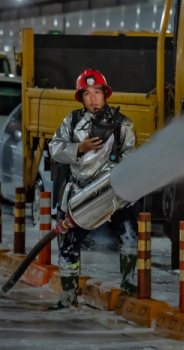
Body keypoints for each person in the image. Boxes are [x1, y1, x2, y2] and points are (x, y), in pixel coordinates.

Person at [48, 69, 137, 310]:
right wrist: (79, 147)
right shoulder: (72, 121)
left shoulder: (122, 124)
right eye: (87, 93)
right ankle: (67, 297)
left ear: (105, 94)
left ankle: (130, 288)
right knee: (69, 246)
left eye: (97, 92)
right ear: (81, 97)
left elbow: (129, 157)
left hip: (113, 194)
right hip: (80, 194)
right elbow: (54, 148)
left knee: (129, 238)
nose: (93, 98)